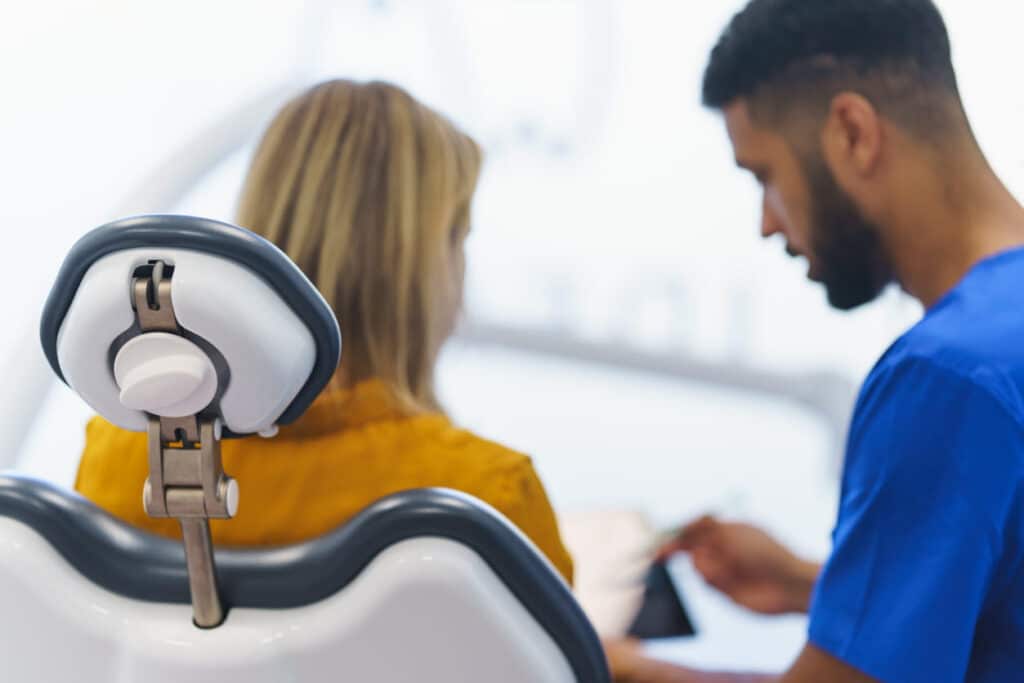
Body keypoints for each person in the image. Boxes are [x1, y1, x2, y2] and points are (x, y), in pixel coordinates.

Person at [607, 1, 1024, 681]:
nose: (768, 224)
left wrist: (619, 668)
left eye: (765, 176)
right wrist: (811, 584)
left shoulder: (947, 375)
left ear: (853, 132)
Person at [74, 79, 574, 584]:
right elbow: (553, 663)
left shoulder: (115, 459)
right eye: (459, 241)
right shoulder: (485, 500)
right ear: (422, 268)